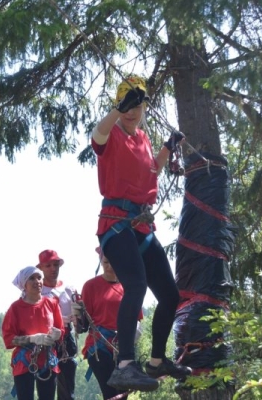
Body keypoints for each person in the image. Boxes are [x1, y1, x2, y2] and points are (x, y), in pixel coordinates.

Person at [91, 75, 191, 391]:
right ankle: (124, 365)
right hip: (116, 223)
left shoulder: (143, 139)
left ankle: (158, 360)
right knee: (134, 285)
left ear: (144, 106)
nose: (131, 111)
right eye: (126, 105)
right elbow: (98, 135)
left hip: (141, 226)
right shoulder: (112, 134)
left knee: (170, 296)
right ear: (119, 106)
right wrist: (117, 109)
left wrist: (168, 147)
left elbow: (152, 170)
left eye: (136, 104)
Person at [72, 247, 142, 400]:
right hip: (99, 348)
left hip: (123, 348)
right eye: (106, 262)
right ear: (101, 262)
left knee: (121, 396)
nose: (110, 266)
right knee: (111, 393)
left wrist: (136, 330)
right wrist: (78, 315)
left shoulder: (130, 287)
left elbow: (137, 317)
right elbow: (83, 326)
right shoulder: (91, 286)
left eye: (114, 262)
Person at [2, 266, 64, 400]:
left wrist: (57, 334)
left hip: (48, 359)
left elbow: (61, 330)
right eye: (32, 278)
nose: (37, 281)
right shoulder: (15, 308)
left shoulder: (52, 304)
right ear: (24, 284)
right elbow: (9, 339)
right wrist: (32, 339)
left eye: (39, 278)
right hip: (24, 361)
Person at [35, 250, 77, 400]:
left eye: (55, 264)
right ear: (41, 268)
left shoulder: (68, 289)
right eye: (48, 265)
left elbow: (80, 318)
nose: (53, 268)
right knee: (46, 389)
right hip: (45, 343)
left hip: (66, 340)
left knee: (67, 391)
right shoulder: (35, 291)